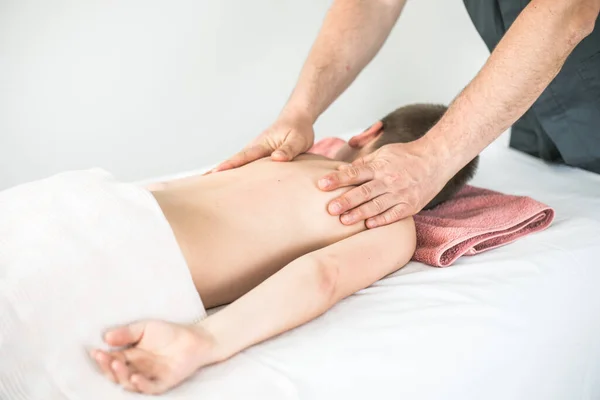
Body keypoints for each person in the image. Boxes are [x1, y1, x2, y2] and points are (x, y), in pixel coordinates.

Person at [89, 104, 477, 395]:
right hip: (135, 259)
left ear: (366, 134)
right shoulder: (392, 227)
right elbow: (322, 277)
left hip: (91, 201)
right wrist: (208, 340)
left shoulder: (291, 153)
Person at [211, 0, 600, 229]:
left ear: (368, 135)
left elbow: (566, 9)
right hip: (541, 109)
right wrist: (299, 110)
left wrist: (434, 158)